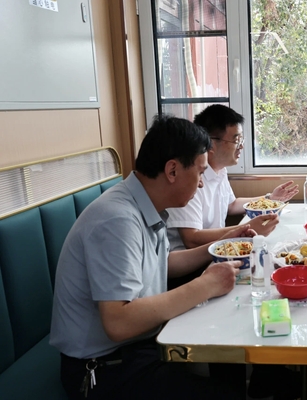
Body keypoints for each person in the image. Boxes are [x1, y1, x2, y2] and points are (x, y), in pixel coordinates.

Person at [50, 115, 250, 400]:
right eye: (200, 172)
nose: (201, 185)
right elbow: (118, 322)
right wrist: (206, 285)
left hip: (136, 349)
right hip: (103, 368)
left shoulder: (143, 205)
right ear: (172, 170)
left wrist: (221, 243)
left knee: (227, 359)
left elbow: (164, 263)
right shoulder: (117, 220)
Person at [166, 105, 299, 251]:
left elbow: (231, 205)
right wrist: (246, 228)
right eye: (236, 141)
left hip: (217, 250)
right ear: (211, 144)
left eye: (241, 140)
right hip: (192, 260)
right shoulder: (190, 178)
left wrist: (269, 198)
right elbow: (191, 239)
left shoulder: (220, 170)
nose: (241, 146)